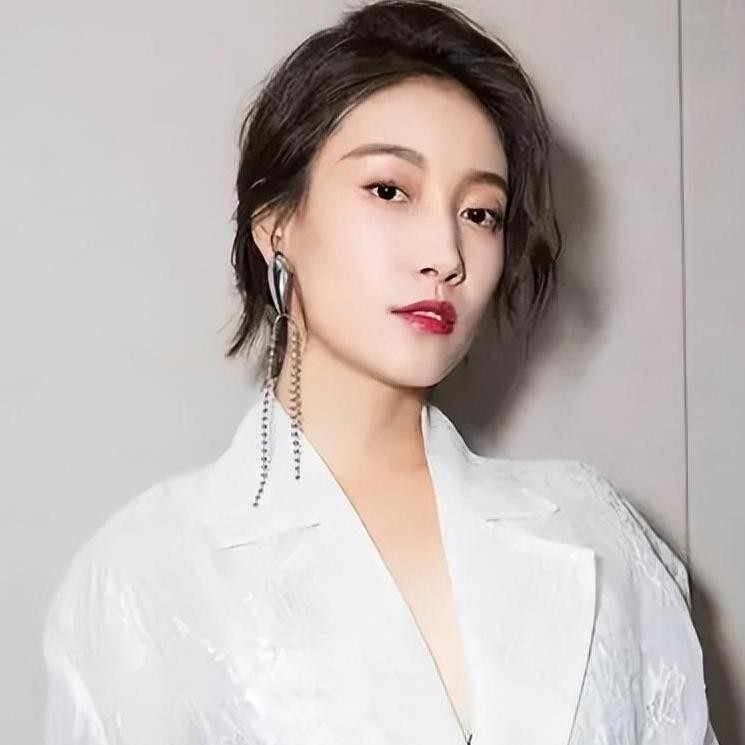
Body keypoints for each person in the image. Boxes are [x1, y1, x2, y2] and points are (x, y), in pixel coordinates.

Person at [41, 1, 719, 743]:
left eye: (481, 213)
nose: (446, 255)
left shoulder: (595, 528)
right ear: (276, 224)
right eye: (390, 190)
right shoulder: (147, 573)